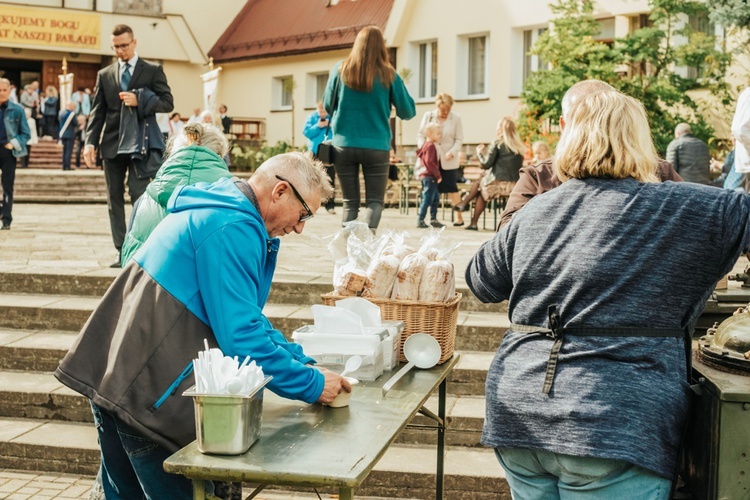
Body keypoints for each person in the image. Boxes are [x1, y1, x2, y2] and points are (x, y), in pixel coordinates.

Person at [466, 88, 750, 499]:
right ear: (640, 142)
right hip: (615, 421)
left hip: (519, 413)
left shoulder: (535, 211)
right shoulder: (695, 206)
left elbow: (480, 280)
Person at [55, 152, 350, 498]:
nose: (300, 227)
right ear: (280, 191)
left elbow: (245, 318)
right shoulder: (233, 226)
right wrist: (312, 384)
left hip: (118, 380)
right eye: (304, 214)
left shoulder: (221, 207)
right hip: (146, 396)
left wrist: (301, 362)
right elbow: (243, 337)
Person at [498, 80, 683, 230]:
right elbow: (505, 239)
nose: (593, 131)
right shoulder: (539, 176)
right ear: (564, 125)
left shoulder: (659, 171)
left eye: (601, 120)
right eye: (582, 121)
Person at [84, 24, 174, 267]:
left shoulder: (153, 70)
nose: (120, 50)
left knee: (139, 197)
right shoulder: (105, 74)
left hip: (140, 146)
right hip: (112, 145)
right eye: (116, 47)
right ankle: (121, 250)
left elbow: (168, 103)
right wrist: (90, 143)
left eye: (124, 45)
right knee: (113, 199)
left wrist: (142, 99)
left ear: (134, 43)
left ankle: (140, 247)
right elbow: (97, 112)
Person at [323, 25, 416, 231]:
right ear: (381, 47)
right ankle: (365, 246)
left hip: (343, 146)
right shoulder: (388, 75)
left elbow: (328, 105)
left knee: (350, 202)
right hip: (376, 146)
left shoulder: (340, 70)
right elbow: (408, 112)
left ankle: (349, 250)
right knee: (374, 201)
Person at [120, 123, 232, 265]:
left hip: (145, 284)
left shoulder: (144, 199)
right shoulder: (233, 199)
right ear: (220, 156)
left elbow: (128, 257)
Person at [454, 117, 526, 230]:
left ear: (501, 129)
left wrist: (479, 153)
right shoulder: (519, 147)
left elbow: (486, 164)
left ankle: (469, 213)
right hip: (514, 186)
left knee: (480, 189)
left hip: (496, 185)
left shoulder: (497, 144)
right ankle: (464, 204)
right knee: (481, 184)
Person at [417, 93, 465, 226]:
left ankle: (459, 217)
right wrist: (424, 149)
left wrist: (453, 151)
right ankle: (430, 218)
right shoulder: (429, 116)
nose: (445, 112)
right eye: (443, 109)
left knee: (452, 188)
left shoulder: (456, 118)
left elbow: (459, 139)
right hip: (431, 159)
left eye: (448, 109)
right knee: (432, 191)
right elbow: (420, 135)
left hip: (448, 159)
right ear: (437, 106)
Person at [0, 78, 31, 230]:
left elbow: (26, 134)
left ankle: (6, 219)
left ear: (9, 91)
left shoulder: (17, 109)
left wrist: (14, 143)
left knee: (7, 186)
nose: (1, 93)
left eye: (4, 90)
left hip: (8, 151)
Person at [303, 100, 336, 214]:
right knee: (311, 178)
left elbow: (337, 132)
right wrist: (318, 126)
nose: (322, 113)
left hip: (328, 152)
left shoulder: (333, 117)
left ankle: (330, 205)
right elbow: (306, 132)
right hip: (314, 151)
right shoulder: (312, 117)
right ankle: (310, 204)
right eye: (320, 110)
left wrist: (330, 125)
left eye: (324, 111)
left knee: (330, 177)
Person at [416, 123, 444, 229]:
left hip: (426, 176)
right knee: (427, 199)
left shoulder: (425, 145)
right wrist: (437, 175)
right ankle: (420, 219)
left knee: (435, 198)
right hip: (430, 177)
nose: (439, 135)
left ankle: (433, 219)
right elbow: (430, 161)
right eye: (437, 133)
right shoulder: (430, 146)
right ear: (429, 133)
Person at [58, 101, 77, 171]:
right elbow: (76, 124)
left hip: (62, 134)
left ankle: (64, 166)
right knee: (69, 151)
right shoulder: (72, 114)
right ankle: (68, 166)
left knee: (64, 151)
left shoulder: (61, 113)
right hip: (70, 134)